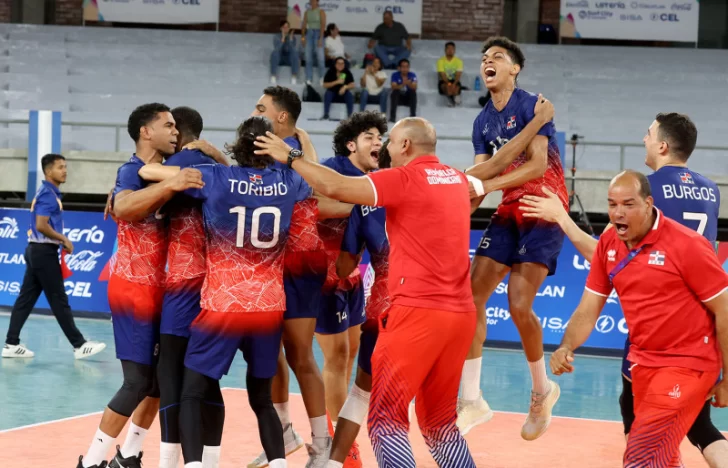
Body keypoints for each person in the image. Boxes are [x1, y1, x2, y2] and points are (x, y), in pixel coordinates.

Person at [254, 117, 477, 468]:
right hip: (462, 314)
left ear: (405, 146)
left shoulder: (402, 179)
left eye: (389, 140)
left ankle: (330, 456)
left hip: (412, 311)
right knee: (440, 426)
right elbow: (485, 179)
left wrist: (292, 155)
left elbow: (340, 188)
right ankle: (333, 460)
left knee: (385, 421)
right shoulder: (458, 180)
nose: (385, 147)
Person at [519, 112, 728, 467]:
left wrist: (561, 217)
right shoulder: (709, 189)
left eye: (648, 134)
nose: (643, 140)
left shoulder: (649, 189)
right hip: (688, 327)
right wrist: (567, 344)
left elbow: (612, 255)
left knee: (641, 435)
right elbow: (611, 259)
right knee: (692, 426)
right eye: (613, 205)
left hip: (675, 338)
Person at [78, 103, 202, 468]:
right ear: (145, 132)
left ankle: (129, 454)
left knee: (159, 383)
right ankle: (90, 462)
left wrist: (184, 170)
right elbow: (126, 207)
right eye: (168, 126)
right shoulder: (130, 171)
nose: (175, 132)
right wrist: (171, 184)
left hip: (162, 291)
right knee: (136, 382)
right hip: (132, 288)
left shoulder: (167, 169)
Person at [460, 36, 567, 440]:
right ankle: (472, 399)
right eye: (484, 57)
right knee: (470, 296)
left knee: (519, 305)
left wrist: (482, 186)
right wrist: (463, 192)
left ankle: (542, 391)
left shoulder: (532, 105)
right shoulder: (481, 121)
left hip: (544, 205)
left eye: (498, 57)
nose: (488, 61)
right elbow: (480, 174)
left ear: (514, 68)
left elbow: (537, 165)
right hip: (508, 209)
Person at [133, 106, 229, 468]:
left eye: (172, 127)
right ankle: (212, 460)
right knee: (207, 381)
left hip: (183, 287)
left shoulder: (182, 166)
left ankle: (171, 461)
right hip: (220, 288)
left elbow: (142, 173)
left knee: (170, 377)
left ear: (180, 133)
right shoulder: (222, 169)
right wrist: (219, 154)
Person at [248, 86, 334, 468]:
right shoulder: (258, 152)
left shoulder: (298, 155)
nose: (254, 111)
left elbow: (320, 190)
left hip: (299, 263)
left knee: (301, 355)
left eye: (261, 107)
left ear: (281, 117)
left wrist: (304, 153)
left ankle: (322, 445)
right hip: (265, 264)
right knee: (267, 354)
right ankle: (283, 430)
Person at [314, 111, 387, 466]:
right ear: (350, 144)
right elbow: (310, 205)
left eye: (380, 137)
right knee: (337, 358)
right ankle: (340, 446)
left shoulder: (375, 178)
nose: (378, 143)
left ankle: (338, 432)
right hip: (322, 275)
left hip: (351, 276)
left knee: (353, 355)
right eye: (370, 136)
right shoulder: (333, 167)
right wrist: (357, 207)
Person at [2, 154, 106, 360]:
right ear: (48, 171)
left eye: (65, 167)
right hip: (43, 253)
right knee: (59, 300)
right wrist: (63, 239)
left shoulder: (48, 192)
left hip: (36, 251)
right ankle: (79, 345)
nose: (65, 171)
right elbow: (41, 224)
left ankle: (11, 344)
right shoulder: (48, 195)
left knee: (26, 299)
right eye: (60, 167)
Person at [301, 0, 326, 85]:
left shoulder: (321, 12)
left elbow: (323, 25)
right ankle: (309, 78)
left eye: (314, 0)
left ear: (317, 2)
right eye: (311, 0)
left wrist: (320, 38)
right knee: (308, 57)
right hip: (309, 34)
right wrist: (303, 37)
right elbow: (304, 25)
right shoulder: (307, 12)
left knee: (320, 57)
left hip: (318, 33)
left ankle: (322, 77)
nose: (312, 2)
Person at [270, 20, 300, 85]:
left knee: (295, 51)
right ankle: (273, 75)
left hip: (288, 59)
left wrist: (291, 40)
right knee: (274, 53)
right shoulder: (277, 36)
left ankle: (294, 76)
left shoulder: (292, 37)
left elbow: (291, 50)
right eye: (284, 27)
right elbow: (277, 49)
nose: (286, 29)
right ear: (281, 28)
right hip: (279, 59)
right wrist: (283, 39)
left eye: (287, 27)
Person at [389, 59, 417, 123]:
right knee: (395, 92)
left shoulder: (412, 75)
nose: (405, 69)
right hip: (398, 98)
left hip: (408, 99)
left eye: (407, 67)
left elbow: (415, 87)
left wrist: (408, 83)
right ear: (399, 68)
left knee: (413, 92)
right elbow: (393, 87)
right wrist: (403, 84)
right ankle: (392, 117)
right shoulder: (395, 75)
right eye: (403, 67)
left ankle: (413, 116)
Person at [437, 41, 463, 107]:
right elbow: (442, 75)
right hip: (444, 81)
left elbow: (458, 75)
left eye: (452, 49)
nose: (450, 50)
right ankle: (452, 99)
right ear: (445, 50)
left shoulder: (459, 61)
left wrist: (453, 84)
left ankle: (455, 96)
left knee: (455, 87)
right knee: (447, 88)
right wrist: (448, 84)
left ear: (454, 50)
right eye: (448, 49)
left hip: (454, 81)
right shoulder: (440, 61)